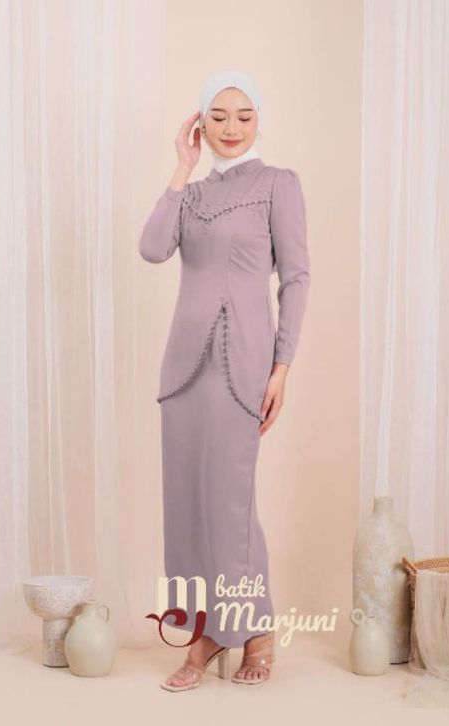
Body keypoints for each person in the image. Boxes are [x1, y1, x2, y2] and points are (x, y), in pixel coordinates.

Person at [138, 70, 311, 691]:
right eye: (217, 116)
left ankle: (251, 631)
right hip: (183, 370)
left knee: (230, 504)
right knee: (187, 502)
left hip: (244, 368)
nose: (231, 127)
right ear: (200, 125)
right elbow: (152, 249)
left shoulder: (278, 184)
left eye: (243, 116)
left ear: (258, 122)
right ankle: (206, 631)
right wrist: (181, 169)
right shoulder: (190, 195)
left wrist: (282, 366)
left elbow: (296, 277)